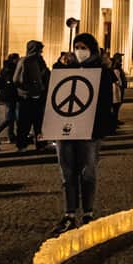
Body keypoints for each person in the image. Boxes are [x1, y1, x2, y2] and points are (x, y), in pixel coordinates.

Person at [49, 32, 116, 236]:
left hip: (90, 130)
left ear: (92, 49)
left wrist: (101, 129)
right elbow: (53, 87)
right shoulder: (66, 68)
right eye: (76, 47)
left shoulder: (102, 72)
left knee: (88, 173)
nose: (80, 51)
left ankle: (87, 212)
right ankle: (69, 213)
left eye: (83, 47)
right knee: (67, 173)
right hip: (66, 128)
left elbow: (106, 103)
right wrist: (59, 64)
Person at [13, 40, 50, 150]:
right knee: (25, 123)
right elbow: (16, 79)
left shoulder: (39, 61)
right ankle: (22, 144)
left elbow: (44, 75)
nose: (41, 52)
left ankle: (41, 143)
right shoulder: (25, 61)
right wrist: (27, 89)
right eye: (39, 50)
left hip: (39, 96)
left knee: (39, 123)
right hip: (27, 97)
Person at [0, 52, 20, 144]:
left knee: (12, 118)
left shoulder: (7, 68)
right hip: (10, 96)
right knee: (10, 118)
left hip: (10, 96)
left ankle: (11, 135)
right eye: (17, 59)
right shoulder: (9, 69)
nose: (18, 60)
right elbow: (10, 82)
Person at [110, 53, 127, 127]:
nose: (121, 59)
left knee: (117, 105)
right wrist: (121, 84)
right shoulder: (116, 68)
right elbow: (117, 80)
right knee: (116, 105)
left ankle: (115, 120)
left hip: (119, 88)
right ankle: (113, 121)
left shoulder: (118, 67)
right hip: (117, 89)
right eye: (120, 57)